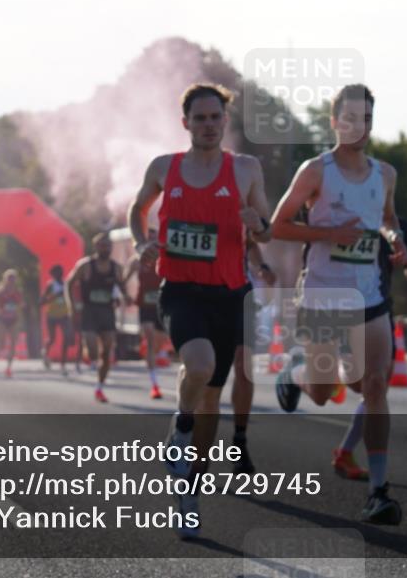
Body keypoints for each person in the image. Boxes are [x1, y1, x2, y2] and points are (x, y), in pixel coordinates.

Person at [126, 83, 272, 539]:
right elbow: (137, 209)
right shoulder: (164, 168)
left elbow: (266, 229)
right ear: (185, 122)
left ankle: (189, 491)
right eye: (200, 118)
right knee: (201, 365)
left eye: (216, 118)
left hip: (230, 293)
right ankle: (180, 424)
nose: (209, 125)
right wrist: (141, 242)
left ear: (225, 122)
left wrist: (257, 224)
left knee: (213, 396)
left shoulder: (246, 170)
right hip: (182, 289)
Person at [270, 83, 407, 525]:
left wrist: (396, 242)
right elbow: (278, 226)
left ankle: (379, 491)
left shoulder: (385, 174)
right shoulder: (316, 171)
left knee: (375, 387)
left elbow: (387, 219)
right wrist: (329, 233)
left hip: (370, 296)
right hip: (324, 293)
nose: (358, 127)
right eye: (349, 118)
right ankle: (295, 371)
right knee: (323, 392)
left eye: (366, 118)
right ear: (334, 121)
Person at [332, 216, 407, 480]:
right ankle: (310, 371)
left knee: (376, 386)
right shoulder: (341, 214)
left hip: (379, 312)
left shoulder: (398, 227)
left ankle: (348, 456)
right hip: (341, 311)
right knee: (358, 385)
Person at [229, 235, 277, 474]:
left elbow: (250, 241)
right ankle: (189, 435)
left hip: (241, 293)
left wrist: (261, 267)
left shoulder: (238, 202)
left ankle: (240, 441)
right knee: (207, 375)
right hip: (203, 293)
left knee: (244, 368)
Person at [66, 233, 130, 402]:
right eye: (102, 245)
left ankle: (100, 387)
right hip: (90, 312)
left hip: (107, 312)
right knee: (93, 348)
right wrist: (71, 305)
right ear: (96, 247)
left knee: (107, 351)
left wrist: (126, 296)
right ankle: (90, 356)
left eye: (108, 246)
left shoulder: (116, 268)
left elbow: (122, 286)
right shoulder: (86, 266)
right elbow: (69, 283)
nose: (106, 249)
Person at [125, 227, 167, 399]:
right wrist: (125, 295)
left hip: (163, 304)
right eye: (148, 238)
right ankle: (154, 383)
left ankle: (153, 355)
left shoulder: (165, 258)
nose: (151, 241)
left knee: (159, 341)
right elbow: (123, 279)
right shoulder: (136, 261)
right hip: (145, 305)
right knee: (150, 337)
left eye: (154, 237)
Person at [40, 264, 75, 375]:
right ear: (53, 274)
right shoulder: (50, 285)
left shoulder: (66, 284)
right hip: (52, 315)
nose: (59, 274)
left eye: (60, 272)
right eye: (56, 272)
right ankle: (45, 352)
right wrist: (55, 296)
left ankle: (63, 364)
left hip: (64, 315)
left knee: (66, 338)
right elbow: (42, 301)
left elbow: (72, 298)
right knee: (52, 338)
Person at [0, 269, 24, 377]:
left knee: (13, 344)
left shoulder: (17, 293)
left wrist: (17, 312)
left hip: (13, 319)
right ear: (5, 280)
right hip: (2, 319)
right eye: (9, 279)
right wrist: (1, 311)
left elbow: (20, 305)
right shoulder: (0, 292)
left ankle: (8, 367)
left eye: (13, 279)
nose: (11, 281)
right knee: (1, 342)